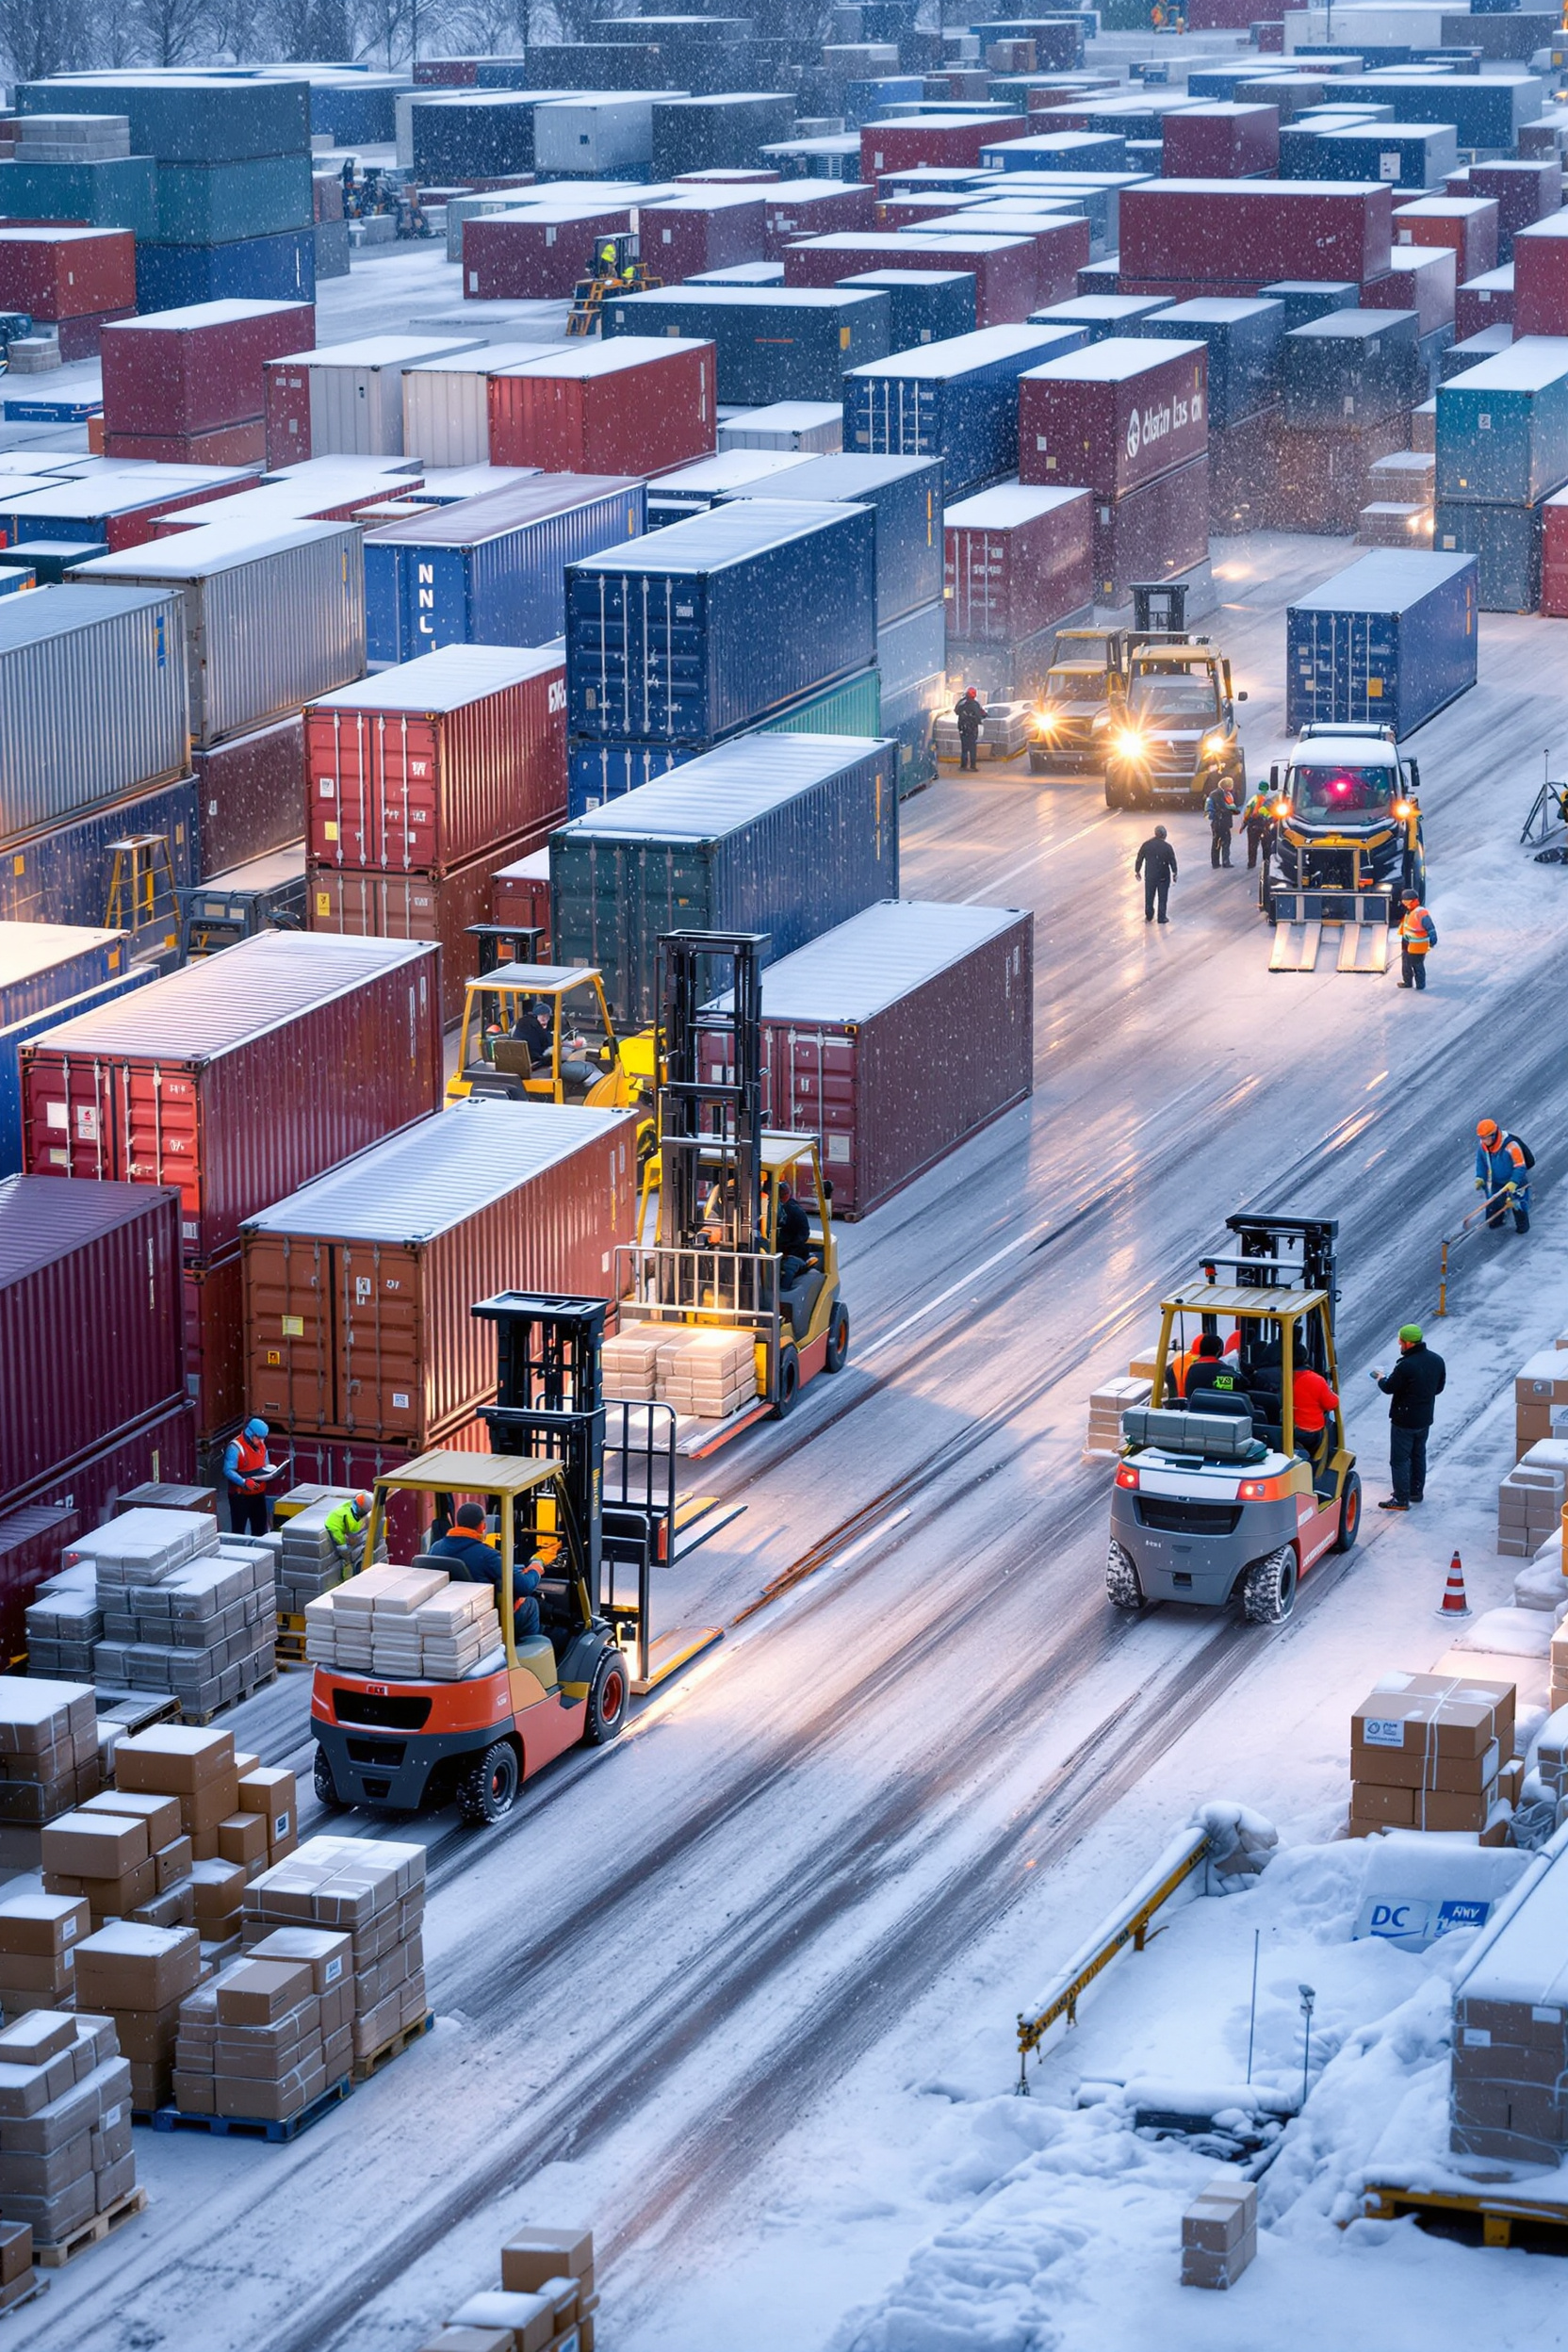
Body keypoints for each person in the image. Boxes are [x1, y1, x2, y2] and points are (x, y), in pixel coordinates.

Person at [1372, 1324, 1446, 1511]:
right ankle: (1416, 1491)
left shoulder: (1406, 1365)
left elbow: (1389, 1387)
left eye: (1400, 1341)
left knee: (1399, 1459)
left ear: (1407, 1343)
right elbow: (1439, 1388)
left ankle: (1400, 1498)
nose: (1399, 1345)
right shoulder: (1437, 1360)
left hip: (1404, 1420)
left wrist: (1381, 1378)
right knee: (1418, 1454)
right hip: (1424, 1418)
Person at [223, 1417, 282, 1538]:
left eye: (263, 1438)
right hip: (240, 1496)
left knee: (260, 1530)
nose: (261, 1441)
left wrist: (272, 1472)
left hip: (258, 1493)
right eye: (259, 1438)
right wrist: (243, 1482)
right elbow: (228, 1470)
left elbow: (265, 1464)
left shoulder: (262, 1445)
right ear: (250, 1434)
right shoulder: (235, 1447)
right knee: (239, 1531)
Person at [1476, 1118, 1532, 1235]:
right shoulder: (1483, 1145)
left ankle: (1522, 1226)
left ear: (1494, 1135)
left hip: (1515, 1181)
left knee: (1518, 1205)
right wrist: (1480, 1177)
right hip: (1496, 1182)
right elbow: (1481, 1161)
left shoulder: (1511, 1145)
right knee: (1493, 1207)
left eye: (1486, 1138)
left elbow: (1520, 1166)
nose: (1484, 1141)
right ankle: (1498, 1221)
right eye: (1482, 1138)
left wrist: (1513, 1182)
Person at [1290, 1362, 1340, 1479]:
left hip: (1274, 1428)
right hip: (1307, 1432)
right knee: (1329, 1429)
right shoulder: (1315, 1380)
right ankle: (1315, 1470)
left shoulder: (1268, 1376)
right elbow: (1331, 1403)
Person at [1135, 825, 1177, 923]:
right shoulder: (1167, 847)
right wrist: (1175, 872)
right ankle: (1161, 917)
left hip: (1150, 875)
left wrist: (1137, 870)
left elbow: (1139, 858)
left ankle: (1149, 915)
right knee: (1162, 897)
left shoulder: (1146, 845)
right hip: (1163, 876)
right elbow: (1172, 861)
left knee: (1149, 896)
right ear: (1164, 835)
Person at [776, 1178, 812, 1282]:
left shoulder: (795, 1211)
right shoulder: (767, 1209)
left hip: (792, 1253)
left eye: (782, 1195)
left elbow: (804, 1233)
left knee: (788, 1271)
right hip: (773, 1251)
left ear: (787, 1195)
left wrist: (789, 1249)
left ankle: (783, 1293)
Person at [325, 1492, 371, 1575]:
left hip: (339, 1527)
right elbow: (352, 1536)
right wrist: (348, 1558)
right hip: (335, 1530)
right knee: (344, 1551)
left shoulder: (350, 1506)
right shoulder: (348, 1517)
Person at [1397, 891, 1436, 989]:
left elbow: (1430, 927)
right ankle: (1407, 982)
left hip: (1417, 945)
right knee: (1406, 963)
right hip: (1407, 942)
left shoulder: (1420, 912)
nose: (1404, 904)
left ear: (1412, 901)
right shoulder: (1409, 911)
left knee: (1417, 965)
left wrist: (1433, 939)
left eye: (1406, 901)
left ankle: (1420, 985)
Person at [1240, 789, 1273, 872]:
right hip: (1265, 826)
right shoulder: (1269, 800)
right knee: (1266, 845)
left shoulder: (1253, 799)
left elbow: (1247, 812)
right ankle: (1266, 863)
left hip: (1253, 825)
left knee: (1252, 845)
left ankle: (1251, 863)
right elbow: (1273, 814)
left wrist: (1244, 824)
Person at [954, 688, 987, 772]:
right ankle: (972, 765)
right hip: (972, 729)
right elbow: (980, 715)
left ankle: (963, 765)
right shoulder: (975, 704)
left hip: (963, 728)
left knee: (964, 747)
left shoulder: (962, 702)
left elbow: (956, 711)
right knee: (972, 748)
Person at [1205, 782, 1235, 869]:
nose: (1231, 788)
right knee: (1225, 841)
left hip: (1218, 822)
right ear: (1226, 786)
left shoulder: (1216, 793)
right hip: (1221, 822)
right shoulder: (1219, 794)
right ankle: (1225, 861)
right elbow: (1225, 808)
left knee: (1216, 842)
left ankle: (1215, 863)